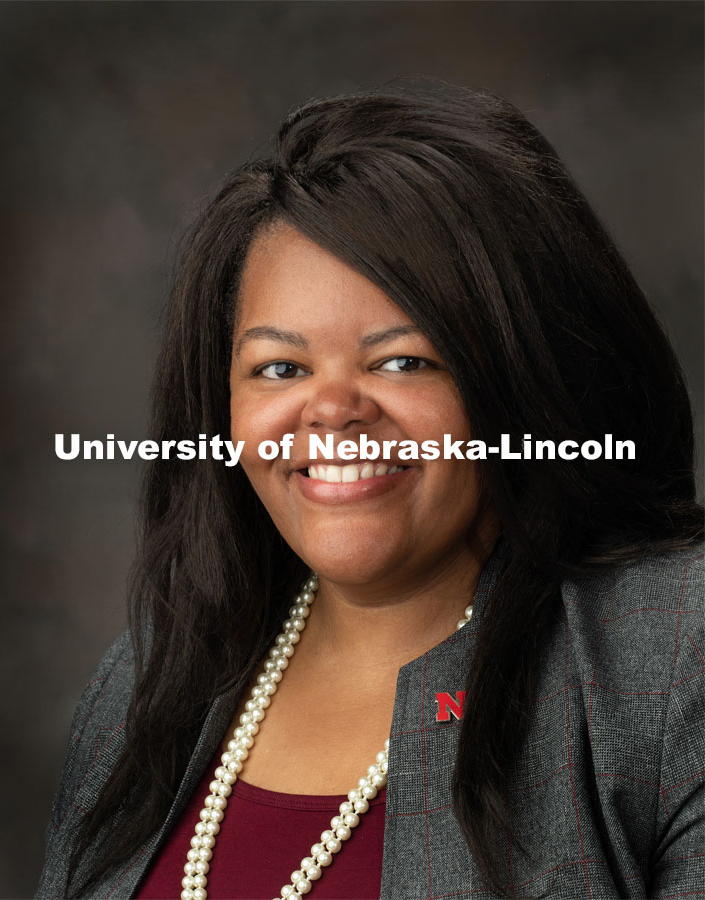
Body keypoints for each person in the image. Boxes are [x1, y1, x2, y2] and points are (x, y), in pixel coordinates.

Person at [36, 79, 704, 900]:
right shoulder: (143, 688)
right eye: (280, 368)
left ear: (523, 380)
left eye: (404, 361)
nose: (333, 411)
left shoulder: (675, 657)